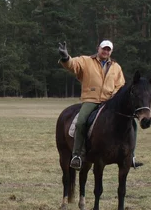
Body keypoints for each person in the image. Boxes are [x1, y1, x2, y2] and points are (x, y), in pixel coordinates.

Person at [58, 39, 136, 170]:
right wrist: (66, 57)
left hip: (110, 102)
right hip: (91, 100)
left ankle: (131, 155)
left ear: (111, 52)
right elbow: (72, 65)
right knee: (81, 122)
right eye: (104, 49)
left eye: (108, 49)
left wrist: (114, 97)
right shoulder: (86, 61)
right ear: (98, 48)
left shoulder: (116, 67)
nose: (106, 51)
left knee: (132, 123)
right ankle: (77, 155)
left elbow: (120, 86)